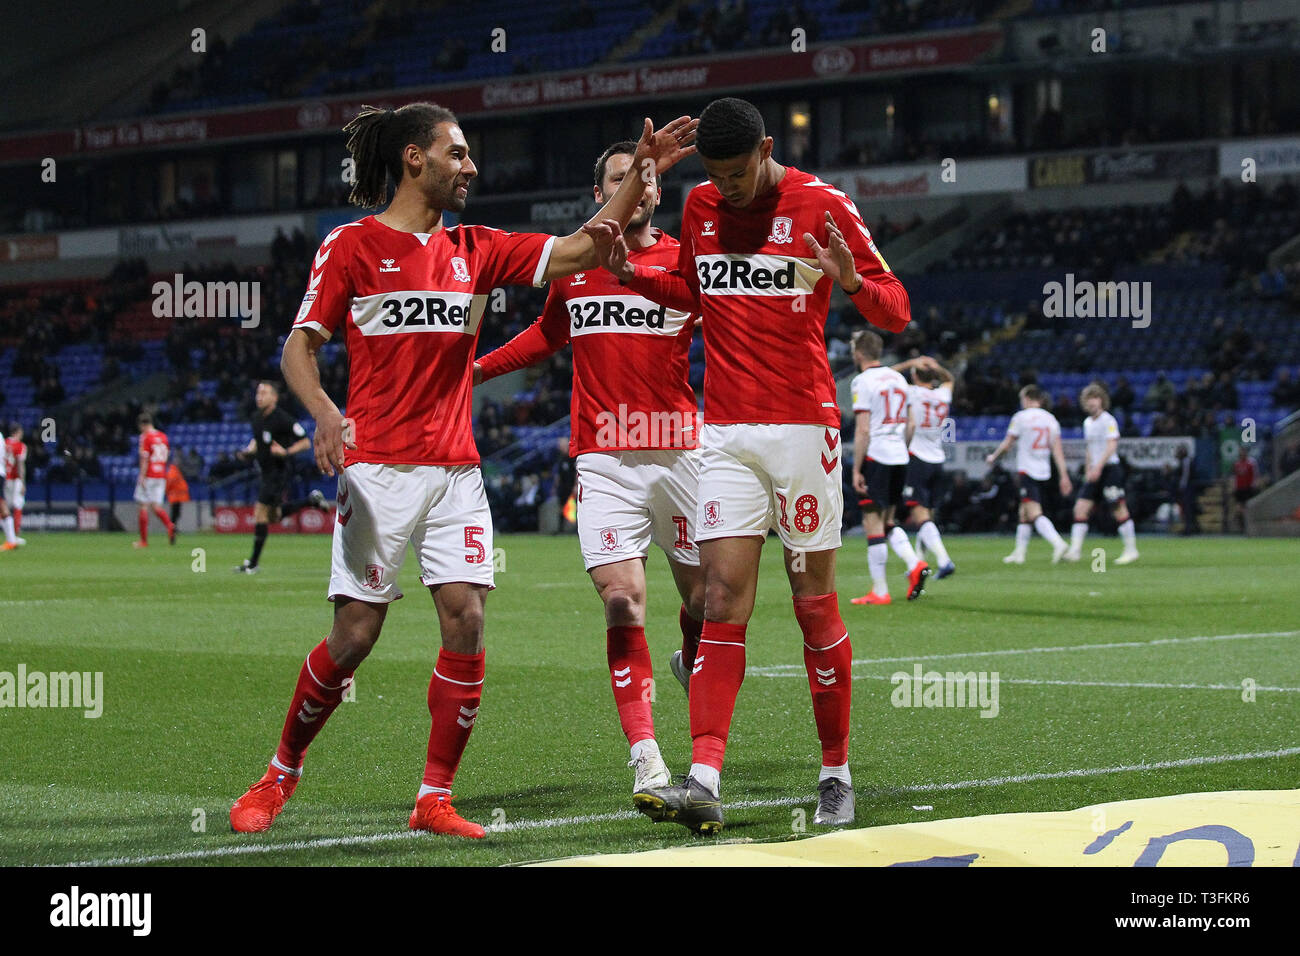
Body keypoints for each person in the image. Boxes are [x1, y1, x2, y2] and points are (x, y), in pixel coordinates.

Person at [229, 101, 698, 838]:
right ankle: (280, 773)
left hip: (456, 472)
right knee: (355, 635)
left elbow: (581, 248)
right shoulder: (351, 247)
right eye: (458, 154)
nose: (471, 167)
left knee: (468, 619)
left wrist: (641, 174)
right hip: (377, 468)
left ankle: (433, 797)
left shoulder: (478, 248)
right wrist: (323, 412)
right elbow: (300, 345)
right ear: (416, 159)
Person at [583, 97, 909, 832]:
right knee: (721, 601)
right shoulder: (699, 203)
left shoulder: (823, 204)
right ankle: (702, 778)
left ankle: (835, 773)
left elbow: (896, 309)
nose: (725, 186)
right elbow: (692, 295)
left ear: (767, 148)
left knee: (812, 605)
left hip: (803, 431)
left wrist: (851, 281)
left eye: (737, 172)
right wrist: (632, 275)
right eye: (716, 173)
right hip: (725, 435)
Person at [475, 140, 705, 801]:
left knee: (707, 604)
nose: (636, 184)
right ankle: (649, 763)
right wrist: (478, 369)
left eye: (646, 177)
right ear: (598, 191)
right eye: (620, 176)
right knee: (622, 600)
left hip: (678, 452)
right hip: (603, 456)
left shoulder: (679, 261)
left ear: (657, 192)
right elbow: (549, 334)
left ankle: (691, 662)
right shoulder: (574, 262)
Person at [848, 333, 929, 605]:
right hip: (899, 456)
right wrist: (901, 449)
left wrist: (857, 468)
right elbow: (912, 424)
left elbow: (863, 429)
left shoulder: (862, 381)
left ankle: (880, 590)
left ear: (859, 353)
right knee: (888, 522)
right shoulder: (899, 379)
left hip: (877, 456)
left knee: (871, 521)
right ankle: (914, 564)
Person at [232, 380, 328, 574]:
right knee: (273, 516)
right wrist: (248, 452)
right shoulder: (256, 418)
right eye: (258, 393)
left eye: (264, 393)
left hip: (278, 472)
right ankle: (310, 500)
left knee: (260, 513)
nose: (259, 396)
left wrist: (285, 452)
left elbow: (305, 443)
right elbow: (258, 442)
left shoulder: (283, 419)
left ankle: (253, 563)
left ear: (274, 397)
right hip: (266, 471)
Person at [985, 385, 1071, 564]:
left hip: (1027, 469)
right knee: (1023, 512)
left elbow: (1007, 444)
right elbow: (1057, 450)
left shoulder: (1021, 417)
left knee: (1033, 512)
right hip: (1044, 471)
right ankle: (1019, 553)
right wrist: (1063, 475)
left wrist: (994, 457)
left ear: (1027, 398)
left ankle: (1058, 543)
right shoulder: (1051, 419)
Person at [1066, 383, 1138, 564]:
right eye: (1088, 399)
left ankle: (1131, 550)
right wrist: (1089, 468)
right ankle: (1075, 551)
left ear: (1101, 400)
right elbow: (1090, 448)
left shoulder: (1108, 420)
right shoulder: (1087, 423)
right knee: (1081, 507)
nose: (1091, 403)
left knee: (1117, 507)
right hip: (1094, 471)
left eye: (1095, 398)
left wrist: (1098, 467)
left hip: (1109, 469)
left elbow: (1111, 445)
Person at [900, 355, 955, 577]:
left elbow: (885, 375)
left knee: (919, 515)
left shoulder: (912, 392)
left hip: (918, 457)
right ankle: (919, 562)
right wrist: (936, 366)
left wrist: (909, 362)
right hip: (938, 458)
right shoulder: (942, 394)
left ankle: (944, 560)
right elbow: (950, 379)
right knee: (927, 516)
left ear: (914, 375)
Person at [133, 413, 176, 548]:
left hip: (150, 475)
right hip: (161, 475)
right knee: (156, 506)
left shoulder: (145, 437)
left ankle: (143, 541)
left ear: (142, 425)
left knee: (143, 505)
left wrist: (142, 476)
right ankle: (169, 525)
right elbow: (167, 455)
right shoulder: (163, 436)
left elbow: (144, 458)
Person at [2, 423, 26, 548]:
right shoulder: (20, 445)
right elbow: (20, 464)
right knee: (18, 503)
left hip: (4, 478)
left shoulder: (4, 442)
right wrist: (22, 481)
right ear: (17, 432)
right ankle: (15, 534)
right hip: (15, 479)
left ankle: (10, 535)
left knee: (4, 505)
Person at [1231, 447, 1257, 533]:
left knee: (1248, 508)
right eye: (1240, 452)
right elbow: (1235, 476)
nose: (1241, 453)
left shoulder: (1251, 463)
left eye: (1243, 451)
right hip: (1239, 489)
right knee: (1239, 509)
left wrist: (1254, 486)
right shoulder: (1236, 463)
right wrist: (1233, 487)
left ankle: (1248, 527)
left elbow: (1255, 475)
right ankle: (1242, 526)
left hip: (1248, 488)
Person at [165, 461, 190, 527]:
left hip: (176, 495)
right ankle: (172, 527)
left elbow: (170, 482)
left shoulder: (173, 471)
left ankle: (173, 527)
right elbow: (170, 481)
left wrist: (166, 490)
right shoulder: (174, 471)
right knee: (175, 512)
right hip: (176, 495)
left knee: (175, 512)